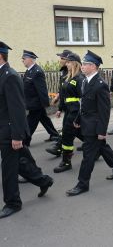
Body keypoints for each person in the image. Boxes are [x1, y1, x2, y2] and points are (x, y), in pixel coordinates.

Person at [0, 41, 53, 218]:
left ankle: (13, 203)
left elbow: (17, 109)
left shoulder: (10, 76)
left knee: (8, 168)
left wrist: (17, 136)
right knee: (19, 163)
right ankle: (43, 180)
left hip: (9, 131)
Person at [66, 50, 113, 196]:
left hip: (94, 127)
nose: (83, 66)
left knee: (88, 156)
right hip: (86, 123)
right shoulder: (86, 81)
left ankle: (82, 184)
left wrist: (101, 131)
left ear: (93, 66)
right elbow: (84, 105)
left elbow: (104, 111)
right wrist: (78, 120)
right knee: (102, 148)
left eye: (86, 64)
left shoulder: (100, 85)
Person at [49, 53, 85, 173]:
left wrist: (80, 115)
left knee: (67, 135)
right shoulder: (68, 78)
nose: (67, 64)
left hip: (75, 111)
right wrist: (60, 109)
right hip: (68, 110)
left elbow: (83, 99)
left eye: (69, 62)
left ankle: (66, 162)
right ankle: (97, 148)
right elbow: (64, 95)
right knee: (80, 134)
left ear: (74, 63)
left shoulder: (80, 78)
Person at [22, 50, 59, 146]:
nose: (22, 60)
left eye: (24, 58)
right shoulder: (29, 71)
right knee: (44, 118)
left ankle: (25, 140)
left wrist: (45, 103)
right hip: (31, 102)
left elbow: (42, 90)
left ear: (30, 59)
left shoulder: (37, 71)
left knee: (30, 122)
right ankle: (54, 134)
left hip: (36, 103)